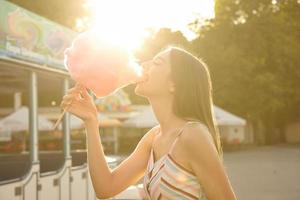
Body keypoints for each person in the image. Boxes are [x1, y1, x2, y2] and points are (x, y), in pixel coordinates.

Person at [61, 46, 237, 200]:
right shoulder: (154, 137)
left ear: (174, 84)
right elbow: (105, 187)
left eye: (157, 63)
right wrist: (91, 122)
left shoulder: (192, 135)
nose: (144, 65)